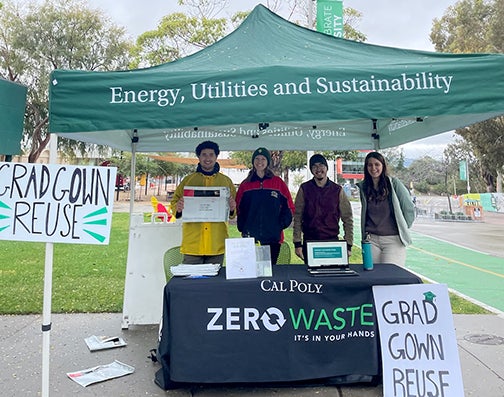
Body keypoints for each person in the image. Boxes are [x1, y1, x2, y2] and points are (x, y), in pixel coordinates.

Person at [170, 141, 236, 265]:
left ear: (216, 157)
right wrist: (178, 208)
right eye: (204, 154)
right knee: (190, 282)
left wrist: (232, 208)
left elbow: (232, 213)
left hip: (216, 244)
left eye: (211, 154)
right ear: (199, 157)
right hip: (193, 245)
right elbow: (174, 202)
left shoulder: (226, 182)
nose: (208, 158)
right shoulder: (188, 181)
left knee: (213, 283)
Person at [236, 148, 295, 264]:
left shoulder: (278, 183)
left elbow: (289, 207)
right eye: (257, 159)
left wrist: (279, 225)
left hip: (273, 238)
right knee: (251, 271)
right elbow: (239, 209)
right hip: (250, 238)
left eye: (263, 159)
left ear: (267, 162)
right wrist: (243, 227)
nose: (260, 162)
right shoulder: (245, 185)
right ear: (253, 162)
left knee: (269, 271)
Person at [357, 151, 415, 267]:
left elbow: (408, 209)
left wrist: (402, 227)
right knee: (373, 277)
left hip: (393, 240)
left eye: (377, 164)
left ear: (383, 166)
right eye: (370, 165)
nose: (373, 168)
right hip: (371, 240)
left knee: (391, 277)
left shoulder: (394, 184)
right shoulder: (364, 187)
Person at [293, 154, 354, 263]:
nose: (318, 169)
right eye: (314, 166)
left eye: (321, 165)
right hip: (310, 242)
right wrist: (297, 243)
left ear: (326, 168)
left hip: (332, 243)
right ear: (311, 170)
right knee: (311, 278)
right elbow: (297, 217)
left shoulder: (337, 190)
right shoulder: (304, 189)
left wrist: (348, 245)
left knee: (333, 277)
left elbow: (347, 218)